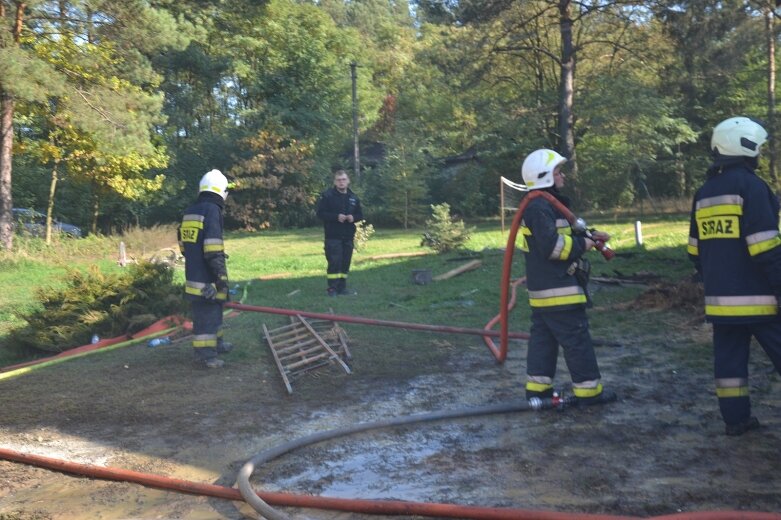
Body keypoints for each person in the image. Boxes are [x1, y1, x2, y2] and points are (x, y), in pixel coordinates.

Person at [688, 116, 781, 436]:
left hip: (721, 302)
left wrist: (717, 278)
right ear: (747, 146)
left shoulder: (703, 193)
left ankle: (736, 421)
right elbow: (766, 248)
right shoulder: (752, 187)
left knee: (729, 367)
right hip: (760, 299)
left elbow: (694, 251)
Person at [519, 148, 616, 405]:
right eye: (558, 172)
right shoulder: (539, 207)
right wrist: (585, 245)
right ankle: (589, 393)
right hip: (559, 290)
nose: (563, 176)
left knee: (544, 342)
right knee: (577, 340)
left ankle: (538, 390)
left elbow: (564, 234)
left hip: (545, 291)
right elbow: (554, 247)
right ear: (544, 177)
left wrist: (590, 236)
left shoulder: (546, 205)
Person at [178, 169, 234, 369]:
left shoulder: (190, 210)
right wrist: (220, 277)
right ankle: (206, 356)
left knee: (214, 312)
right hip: (207, 279)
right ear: (221, 190)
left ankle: (217, 344)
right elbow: (213, 248)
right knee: (207, 318)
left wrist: (194, 258)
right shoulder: (213, 210)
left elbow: (183, 244)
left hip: (194, 274)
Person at [316, 170, 364, 296]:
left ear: (348, 181)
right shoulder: (327, 196)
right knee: (334, 262)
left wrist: (353, 218)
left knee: (345, 262)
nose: (341, 182)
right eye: (338, 180)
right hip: (333, 235)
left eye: (343, 179)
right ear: (335, 182)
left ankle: (342, 287)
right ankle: (332, 288)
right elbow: (320, 214)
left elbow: (360, 214)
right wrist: (336, 217)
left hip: (348, 236)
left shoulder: (353, 197)